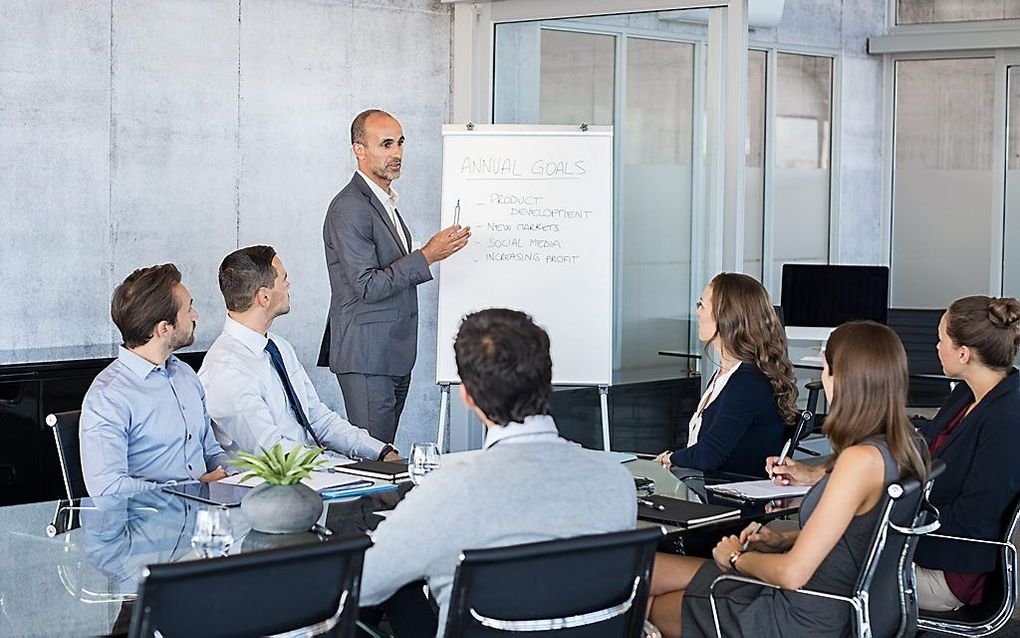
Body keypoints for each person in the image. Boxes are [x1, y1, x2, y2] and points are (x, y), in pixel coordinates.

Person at [359, 308, 637, 636]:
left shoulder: (448, 492)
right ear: (547, 380)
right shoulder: (616, 482)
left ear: (468, 396)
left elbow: (361, 585)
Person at [647, 321, 930, 637]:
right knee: (648, 573)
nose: (824, 379)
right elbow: (862, 535)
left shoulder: (859, 461)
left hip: (801, 613)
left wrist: (738, 558)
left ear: (842, 378)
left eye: (826, 369)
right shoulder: (907, 446)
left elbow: (793, 573)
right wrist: (781, 539)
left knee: (650, 603)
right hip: (837, 603)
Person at [771, 295, 1020, 612]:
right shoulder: (970, 396)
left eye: (940, 339)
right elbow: (912, 452)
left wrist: (876, 520)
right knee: (797, 555)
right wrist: (818, 473)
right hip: (919, 548)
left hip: (947, 571)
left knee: (802, 571)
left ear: (963, 353)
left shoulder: (1007, 418)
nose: (935, 347)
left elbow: (974, 521)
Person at [320, 108, 471, 443]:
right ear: (359, 150)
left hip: (390, 353)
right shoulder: (349, 207)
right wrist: (428, 255)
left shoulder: (384, 203)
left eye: (400, 143)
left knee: (382, 454)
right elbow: (367, 285)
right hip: (367, 355)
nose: (397, 153)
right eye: (386, 144)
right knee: (375, 463)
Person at [199, 246, 398, 462]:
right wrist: (343, 469)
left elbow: (317, 418)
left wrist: (380, 451)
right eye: (283, 279)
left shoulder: (279, 347)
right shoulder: (227, 371)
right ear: (264, 297)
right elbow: (275, 454)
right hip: (271, 488)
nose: (288, 284)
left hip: (312, 475)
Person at [80, 264, 230, 496]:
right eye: (188, 308)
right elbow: (108, 488)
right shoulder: (108, 396)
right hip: (146, 526)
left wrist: (238, 478)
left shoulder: (186, 375)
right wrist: (191, 491)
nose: (195, 315)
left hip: (204, 520)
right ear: (163, 328)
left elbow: (211, 453)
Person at [655, 272, 796, 477]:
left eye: (702, 305)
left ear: (726, 317)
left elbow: (706, 456)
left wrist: (669, 457)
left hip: (725, 499)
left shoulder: (747, 382)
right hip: (703, 489)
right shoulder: (726, 375)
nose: (697, 313)